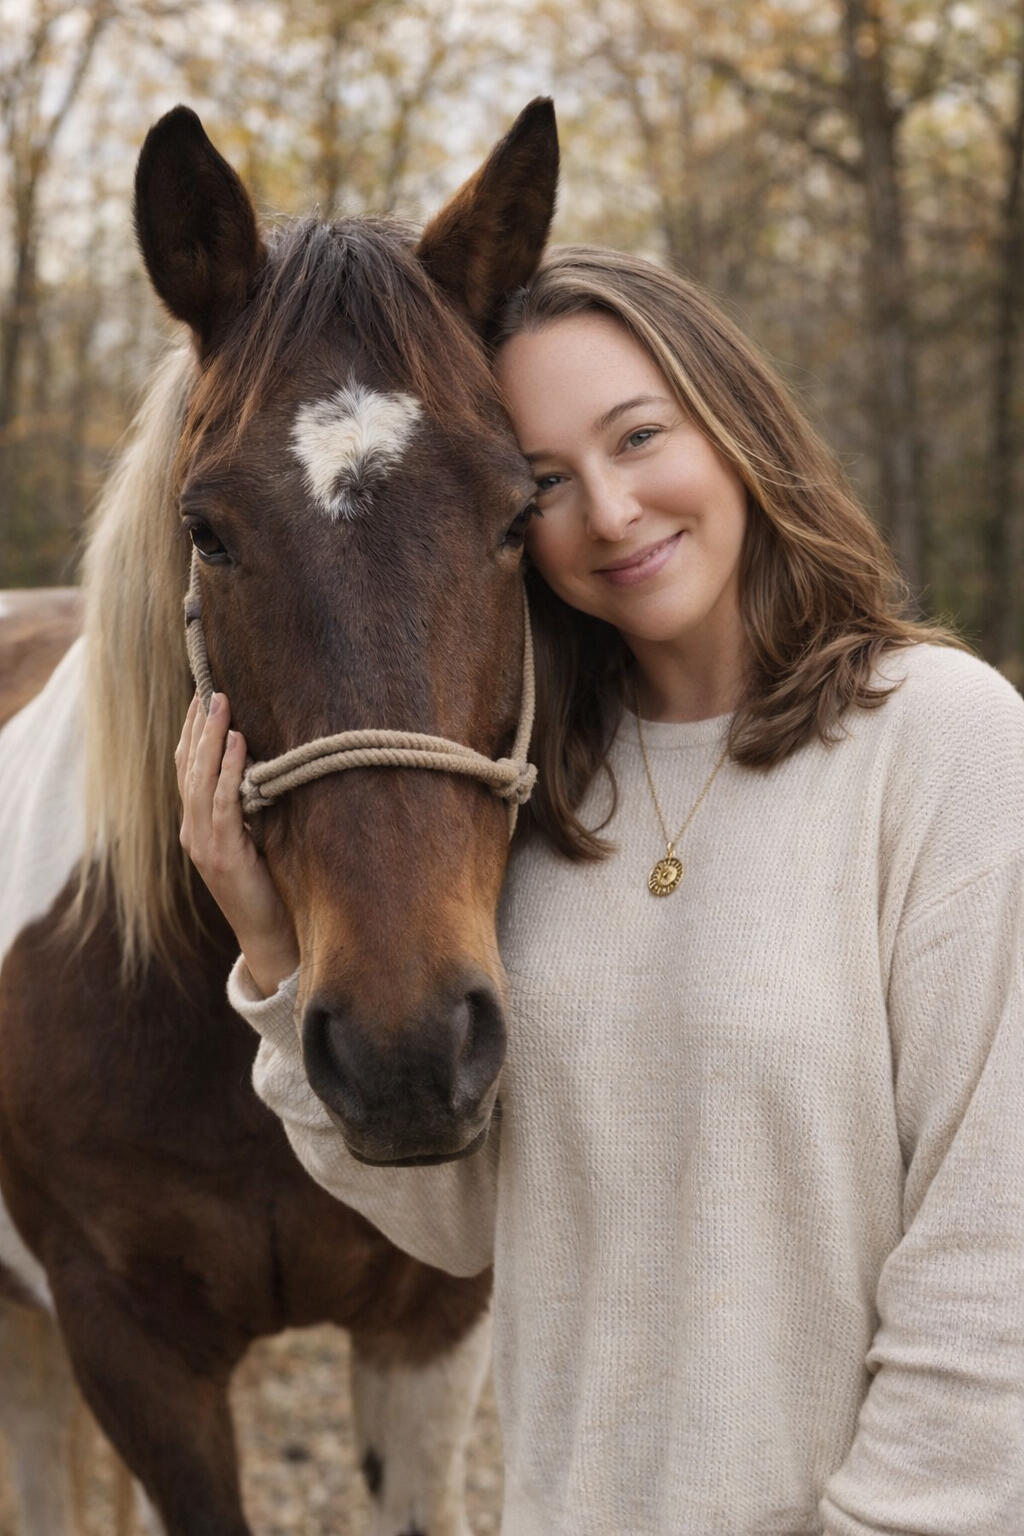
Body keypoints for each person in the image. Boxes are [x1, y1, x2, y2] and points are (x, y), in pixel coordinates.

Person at [177, 246, 1024, 1535]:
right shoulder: (538, 792)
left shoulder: (946, 745)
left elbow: (995, 1258)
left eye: (639, 437)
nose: (613, 513)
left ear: (735, 425)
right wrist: (272, 948)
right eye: (549, 483)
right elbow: (471, 1225)